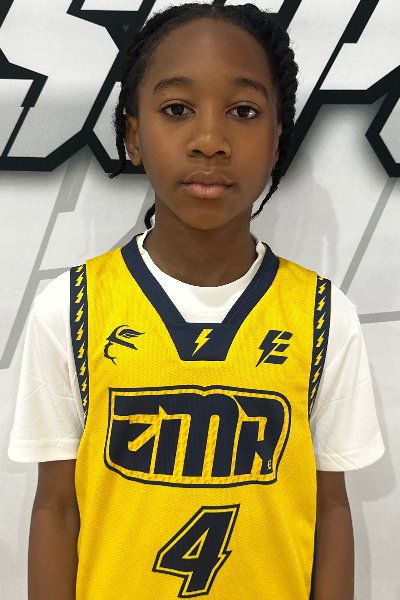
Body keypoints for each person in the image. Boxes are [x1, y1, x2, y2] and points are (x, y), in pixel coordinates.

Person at [8, 4, 385, 600]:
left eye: (243, 111)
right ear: (133, 136)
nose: (210, 141)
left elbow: (330, 509)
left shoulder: (323, 316)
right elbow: (56, 507)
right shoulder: (71, 309)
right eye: (177, 109)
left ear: (277, 140)